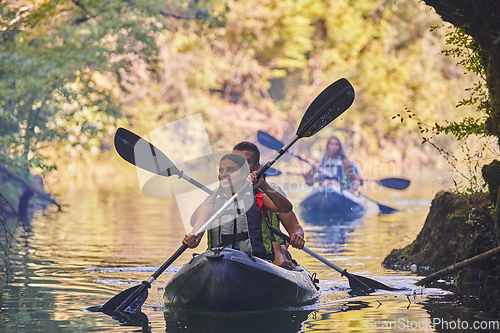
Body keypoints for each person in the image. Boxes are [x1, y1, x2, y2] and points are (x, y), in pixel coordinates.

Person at [183, 153, 293, 262]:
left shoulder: (258, 198)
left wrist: (263, 185)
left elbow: (286, 208)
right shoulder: (210, 203)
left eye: (230, 170)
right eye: (221, 170)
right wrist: (190, 239)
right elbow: (195, 238)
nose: (224, 174)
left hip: (255, 262)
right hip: (218, 261)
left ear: (244, 175)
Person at [232, 142, 305, 267]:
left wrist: (297, 236)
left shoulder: (272, 190)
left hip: (270, 253)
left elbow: (294, 226)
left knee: (278, 248)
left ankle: (280, 258)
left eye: (247, 162)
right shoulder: (220, 193)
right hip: (234, 253)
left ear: (256, 167)